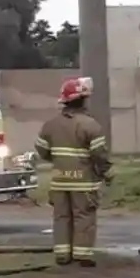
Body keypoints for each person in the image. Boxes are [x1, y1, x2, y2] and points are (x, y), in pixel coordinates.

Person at [34, 76, 113, 267]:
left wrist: (60, 162)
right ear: (84, 100)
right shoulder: (90, 125)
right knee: (83, 217)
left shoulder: (50, 125)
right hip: (84, 182)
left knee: (61, 217)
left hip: (59, 180)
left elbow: (42, 151)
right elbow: (99, 155)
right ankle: (82, 254)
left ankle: (62, 255)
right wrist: (107, 172)